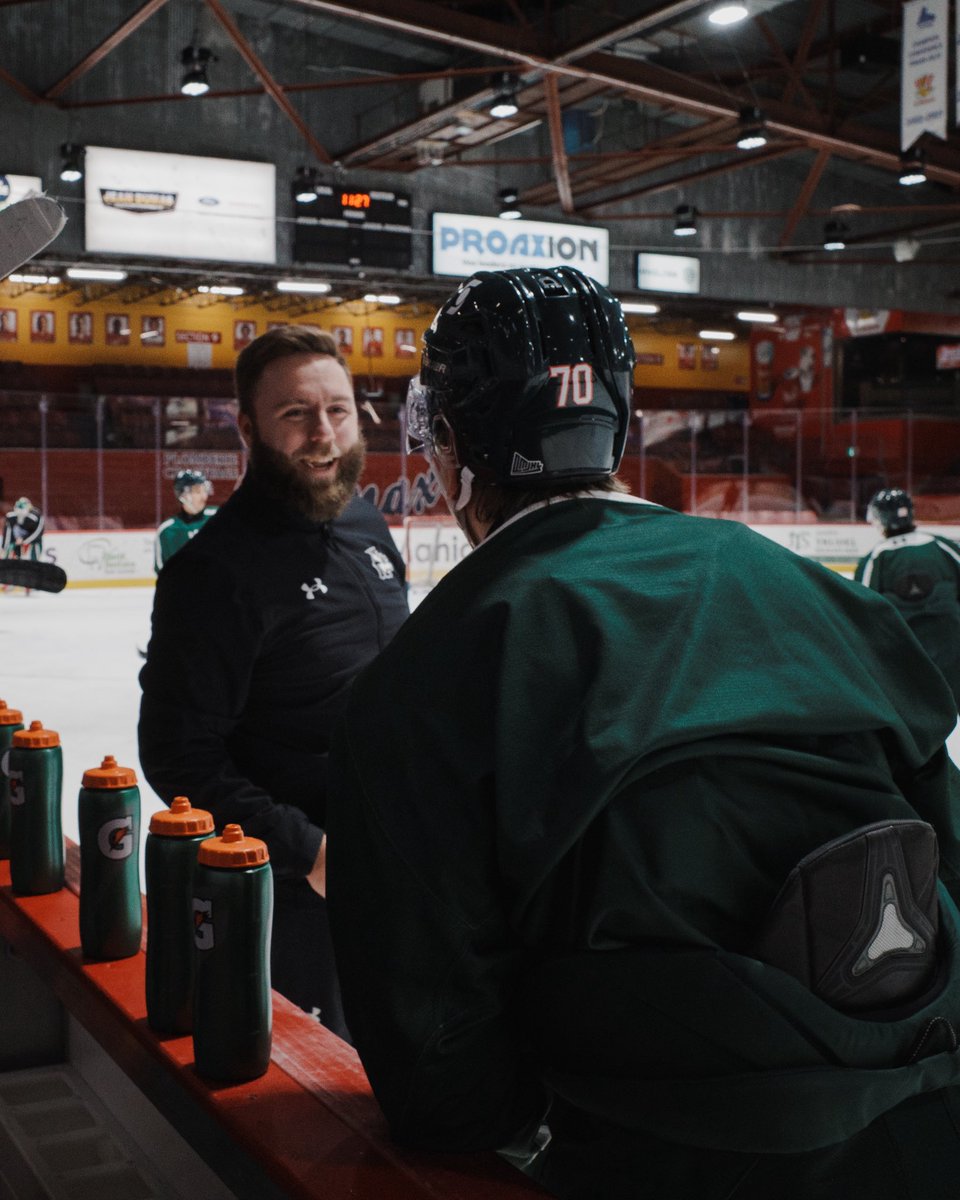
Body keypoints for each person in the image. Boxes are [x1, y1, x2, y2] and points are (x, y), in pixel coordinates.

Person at [326, 266, 960, 1198]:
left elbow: (440, 1070)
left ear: (450, 445)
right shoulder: (823, 598)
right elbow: (942, 837)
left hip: (665, 1158)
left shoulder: (424, 681)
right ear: (619, 422)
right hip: (926, 1128)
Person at [138, 325, 409, 1038]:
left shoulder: (365, 524)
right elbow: (178, 754)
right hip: (292, 898)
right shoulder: (215, 574)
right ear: (250, 428)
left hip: (396, 865)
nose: (324, 434)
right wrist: (310, 852)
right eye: (296, 415)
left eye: (339, 410)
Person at [856, 487, 960, 711]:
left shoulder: (876, 558)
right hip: (951, 645)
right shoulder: (942, 545)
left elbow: (863, 608)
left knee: (915, 712)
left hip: (906, 653)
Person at [154, 469, 218, 572]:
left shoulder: (218, 518)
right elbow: (163, 572)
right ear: (183, 495)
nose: (204, 496)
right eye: (197, 491)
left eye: (204, 490)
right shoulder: (167, 531)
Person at [3, 496, 44, 561]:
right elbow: (8, 533)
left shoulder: (36, 516)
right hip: (16, 541)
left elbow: (37, 533)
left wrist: (24, 540)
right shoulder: (11, 517)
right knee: (10, 559)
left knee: (33, 558)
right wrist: (4, 547)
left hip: (32, 541)